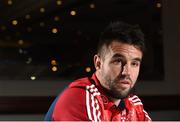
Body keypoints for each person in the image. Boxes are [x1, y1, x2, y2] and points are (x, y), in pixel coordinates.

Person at [46, 21, 152, 121]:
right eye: (118, 61)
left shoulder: (133, 103)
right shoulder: (79, 97)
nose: (127, 72)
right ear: (98, 63)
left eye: (134, 64)